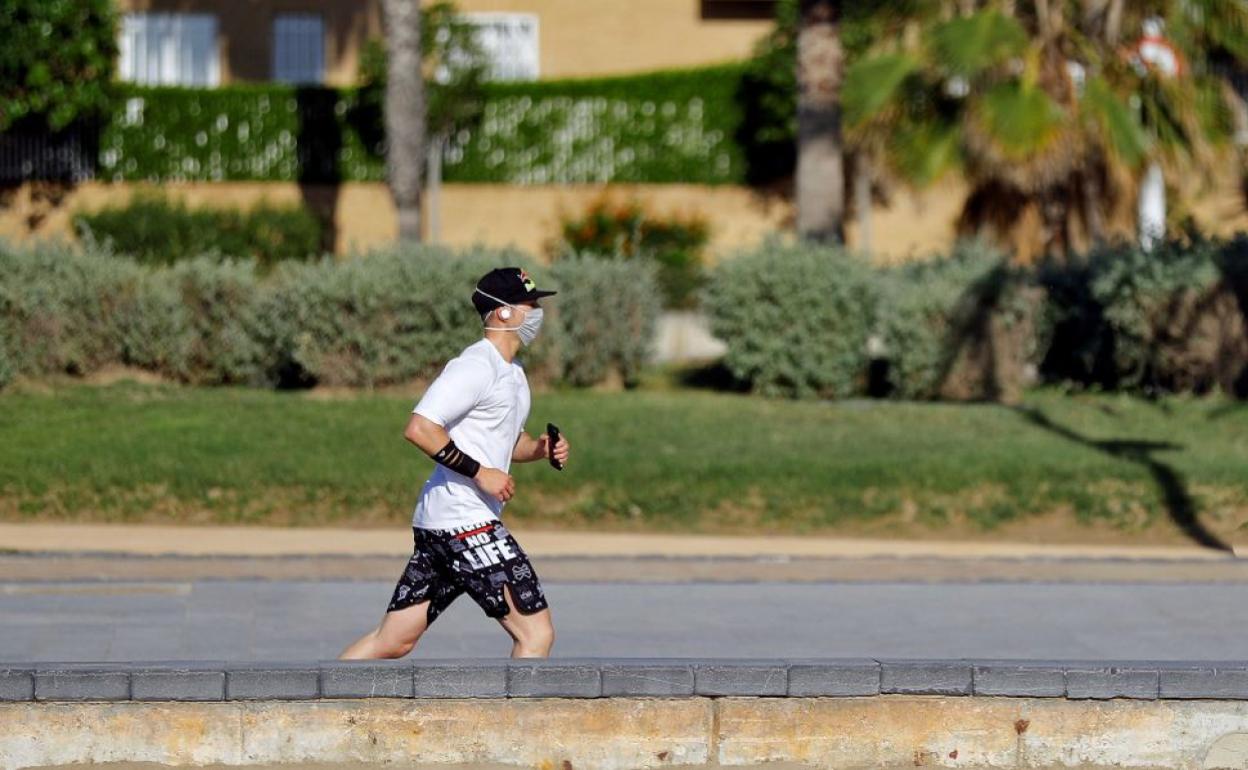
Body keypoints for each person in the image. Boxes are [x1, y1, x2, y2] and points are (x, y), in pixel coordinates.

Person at [339, 267, 570, 660]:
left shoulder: (513, 372)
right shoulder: (475, 366)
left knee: (393, 641)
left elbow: (506, 440)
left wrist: (540, 448)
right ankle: (513, 723)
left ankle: (316, 698)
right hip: (465, 524)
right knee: (535, 634)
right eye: (529, 305)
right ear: (502, 313)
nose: (536, 313)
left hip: (443, 525)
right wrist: (481, 475)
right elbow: (420, 428)